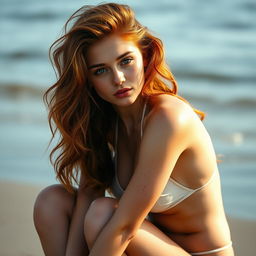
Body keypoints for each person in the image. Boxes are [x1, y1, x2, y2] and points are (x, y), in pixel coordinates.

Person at [33, 3, 234, 256]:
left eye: (125, 61)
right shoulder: (105, 121)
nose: (118, 78)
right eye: (101, 70)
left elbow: (125, 228)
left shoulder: (169, 119)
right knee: (52, 201)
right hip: (144, 245)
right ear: (89, 80)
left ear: (146, 56)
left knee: (103, 215)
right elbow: (88, 193)